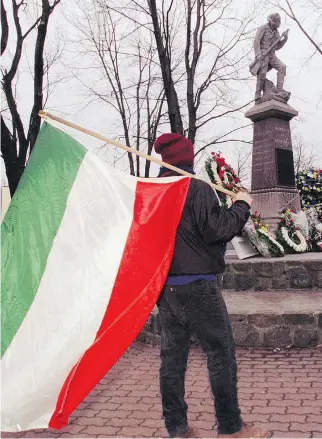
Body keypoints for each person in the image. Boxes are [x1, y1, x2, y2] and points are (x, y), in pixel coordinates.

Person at [154, 133, 269, 439]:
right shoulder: (196, 188)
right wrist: (241, 206)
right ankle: (231, 428)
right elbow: (218, 229)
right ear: (187, 159)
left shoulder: (154, 192)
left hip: (167, 289)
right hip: (198, 286)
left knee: (172, 359)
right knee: (220, 353)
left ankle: (176, 429)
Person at [253, 13, 288, 103]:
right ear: (273, 21)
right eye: (278, 20)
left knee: (282, 67)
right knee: (262, 74)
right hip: (263, 54)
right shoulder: (263, 28)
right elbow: (256, 41)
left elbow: (277, 46)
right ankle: (257, 95)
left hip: (272, 55)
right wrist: (258, 54)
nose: (279, 22)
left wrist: (285, 39)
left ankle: (279, 90)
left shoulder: (277, 33)